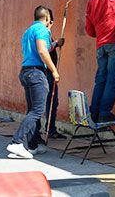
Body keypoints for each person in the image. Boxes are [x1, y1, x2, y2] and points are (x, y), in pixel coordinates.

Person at [7, 6, 61, 159]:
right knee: (38, 110)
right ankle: (16, 142)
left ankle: (32, 145)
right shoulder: (43, 30)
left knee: (32, 110)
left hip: (26, 71)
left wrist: (55, 44)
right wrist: (54, 71)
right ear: (46, 18)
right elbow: (42, 51)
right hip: (37, 73)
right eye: (49, 20)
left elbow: (42, 47)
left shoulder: (28, 31)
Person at [39, 8, 66, 141]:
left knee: (52, 102)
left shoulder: (43, 33)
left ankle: (50, 129)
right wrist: (56, 44)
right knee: (47, 101)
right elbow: (45, 50)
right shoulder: (43, 33)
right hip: (46, 73)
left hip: (48, 72)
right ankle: (45, 131)